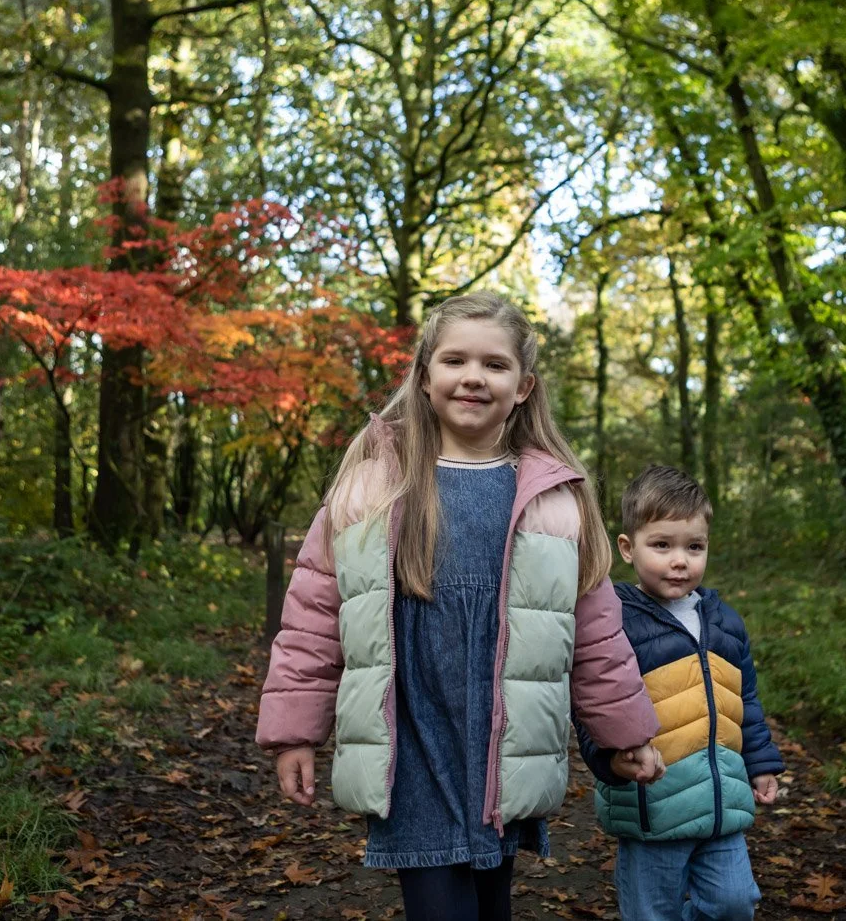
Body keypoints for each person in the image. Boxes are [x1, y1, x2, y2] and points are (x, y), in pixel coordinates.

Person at [256, 292, 663, 921]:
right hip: (412, 737)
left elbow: (595, 631)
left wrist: (623, 733)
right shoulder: (376, 483)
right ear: (425, 376)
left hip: (502, 743)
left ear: (524, 385)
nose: (473, 377)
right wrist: (294, 733)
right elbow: (314, 613)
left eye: (495, 365)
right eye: (455, 361)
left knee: (489, 903)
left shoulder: (552, 499)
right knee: (440, 905)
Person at [578, 465, 784, 921]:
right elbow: (594, 700)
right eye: (662, 545)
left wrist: (761, 763)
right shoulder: (615, 622)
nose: (680, 560)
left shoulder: (725, 621)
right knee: (652, 912)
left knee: (733, 903)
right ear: (628, 549)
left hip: (720, 805)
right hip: (653, 807)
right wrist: (608, 759)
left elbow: (744, 699)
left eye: (694, 547)